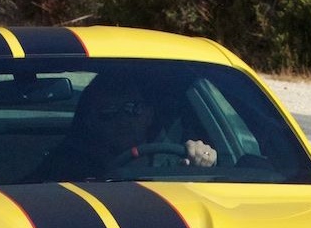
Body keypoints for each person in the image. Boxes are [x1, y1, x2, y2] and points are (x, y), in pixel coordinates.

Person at [29, 73, 217, 181]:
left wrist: (206, 162)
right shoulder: (66, 167)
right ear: (90, 121)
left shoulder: (179, 156)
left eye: (133, 108)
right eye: (108, 111)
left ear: (149, 114)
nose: (122, 119)